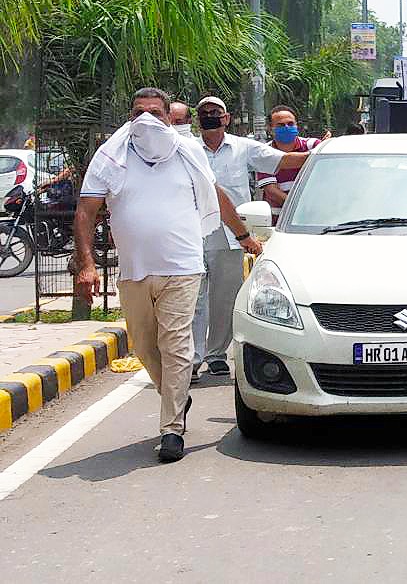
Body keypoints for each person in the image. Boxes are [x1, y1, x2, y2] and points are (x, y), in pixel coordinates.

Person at [74, 88, 260, 463]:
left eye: (154, 112)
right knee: (144, 346)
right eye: (138, 111)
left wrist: (242, 236)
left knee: (175, 347)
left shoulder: (187, 152)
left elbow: (216, 195)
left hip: (182, 267)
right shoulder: (112, 155)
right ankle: (176, 395)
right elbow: (86, 209)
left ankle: (171, 429)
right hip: (134, 270)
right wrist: (88, 263)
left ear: (169, 118)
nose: (146, 119)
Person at [188, 96, 308, 382]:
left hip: (232, 234)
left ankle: (216, 354)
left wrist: (324, 151)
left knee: (224, 297)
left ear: (226, 118)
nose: (210, 117)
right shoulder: (188, 148)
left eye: (215, 113)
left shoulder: (242, 147)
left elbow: (282, 160)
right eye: (204, 113)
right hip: (191, 232)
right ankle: (191, 358)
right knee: (194, 299)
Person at [256, 105, 322, 222]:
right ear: (270, 128)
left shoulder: (313, 145)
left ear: (297, 126)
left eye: (290, 124)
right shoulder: (264, 153)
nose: (286, 127)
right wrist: (299, 209)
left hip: (317, 217)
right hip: (279, 221)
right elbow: (272, 191)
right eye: (281, 125)